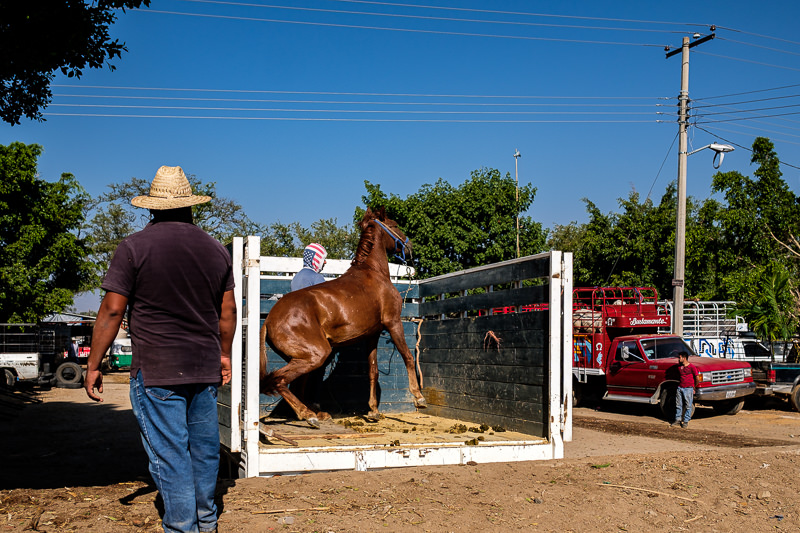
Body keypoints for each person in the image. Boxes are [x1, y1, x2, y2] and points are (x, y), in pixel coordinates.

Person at [84, 165, 236, 533]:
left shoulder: (134, 247)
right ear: (190, 207)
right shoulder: (216, 249)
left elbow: (112, 309)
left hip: (157, 370)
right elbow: (228, 311)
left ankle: (183, 527)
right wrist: (224, 353)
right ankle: (205, 522)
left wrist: (93, 363)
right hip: (203, 369)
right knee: (203, 451)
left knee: (171, 455)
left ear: (151, 208)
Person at [672, 351, 699, 428]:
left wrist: (693, 386)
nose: (678, 359)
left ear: (684, 358)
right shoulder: (679, 367)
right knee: (678, 405)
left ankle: (686, 421)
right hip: (680, 387)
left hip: (688, 388)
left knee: (688, 405)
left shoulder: (692, 367)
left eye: (679, 357)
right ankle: (678, 419)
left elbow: (697, 378)